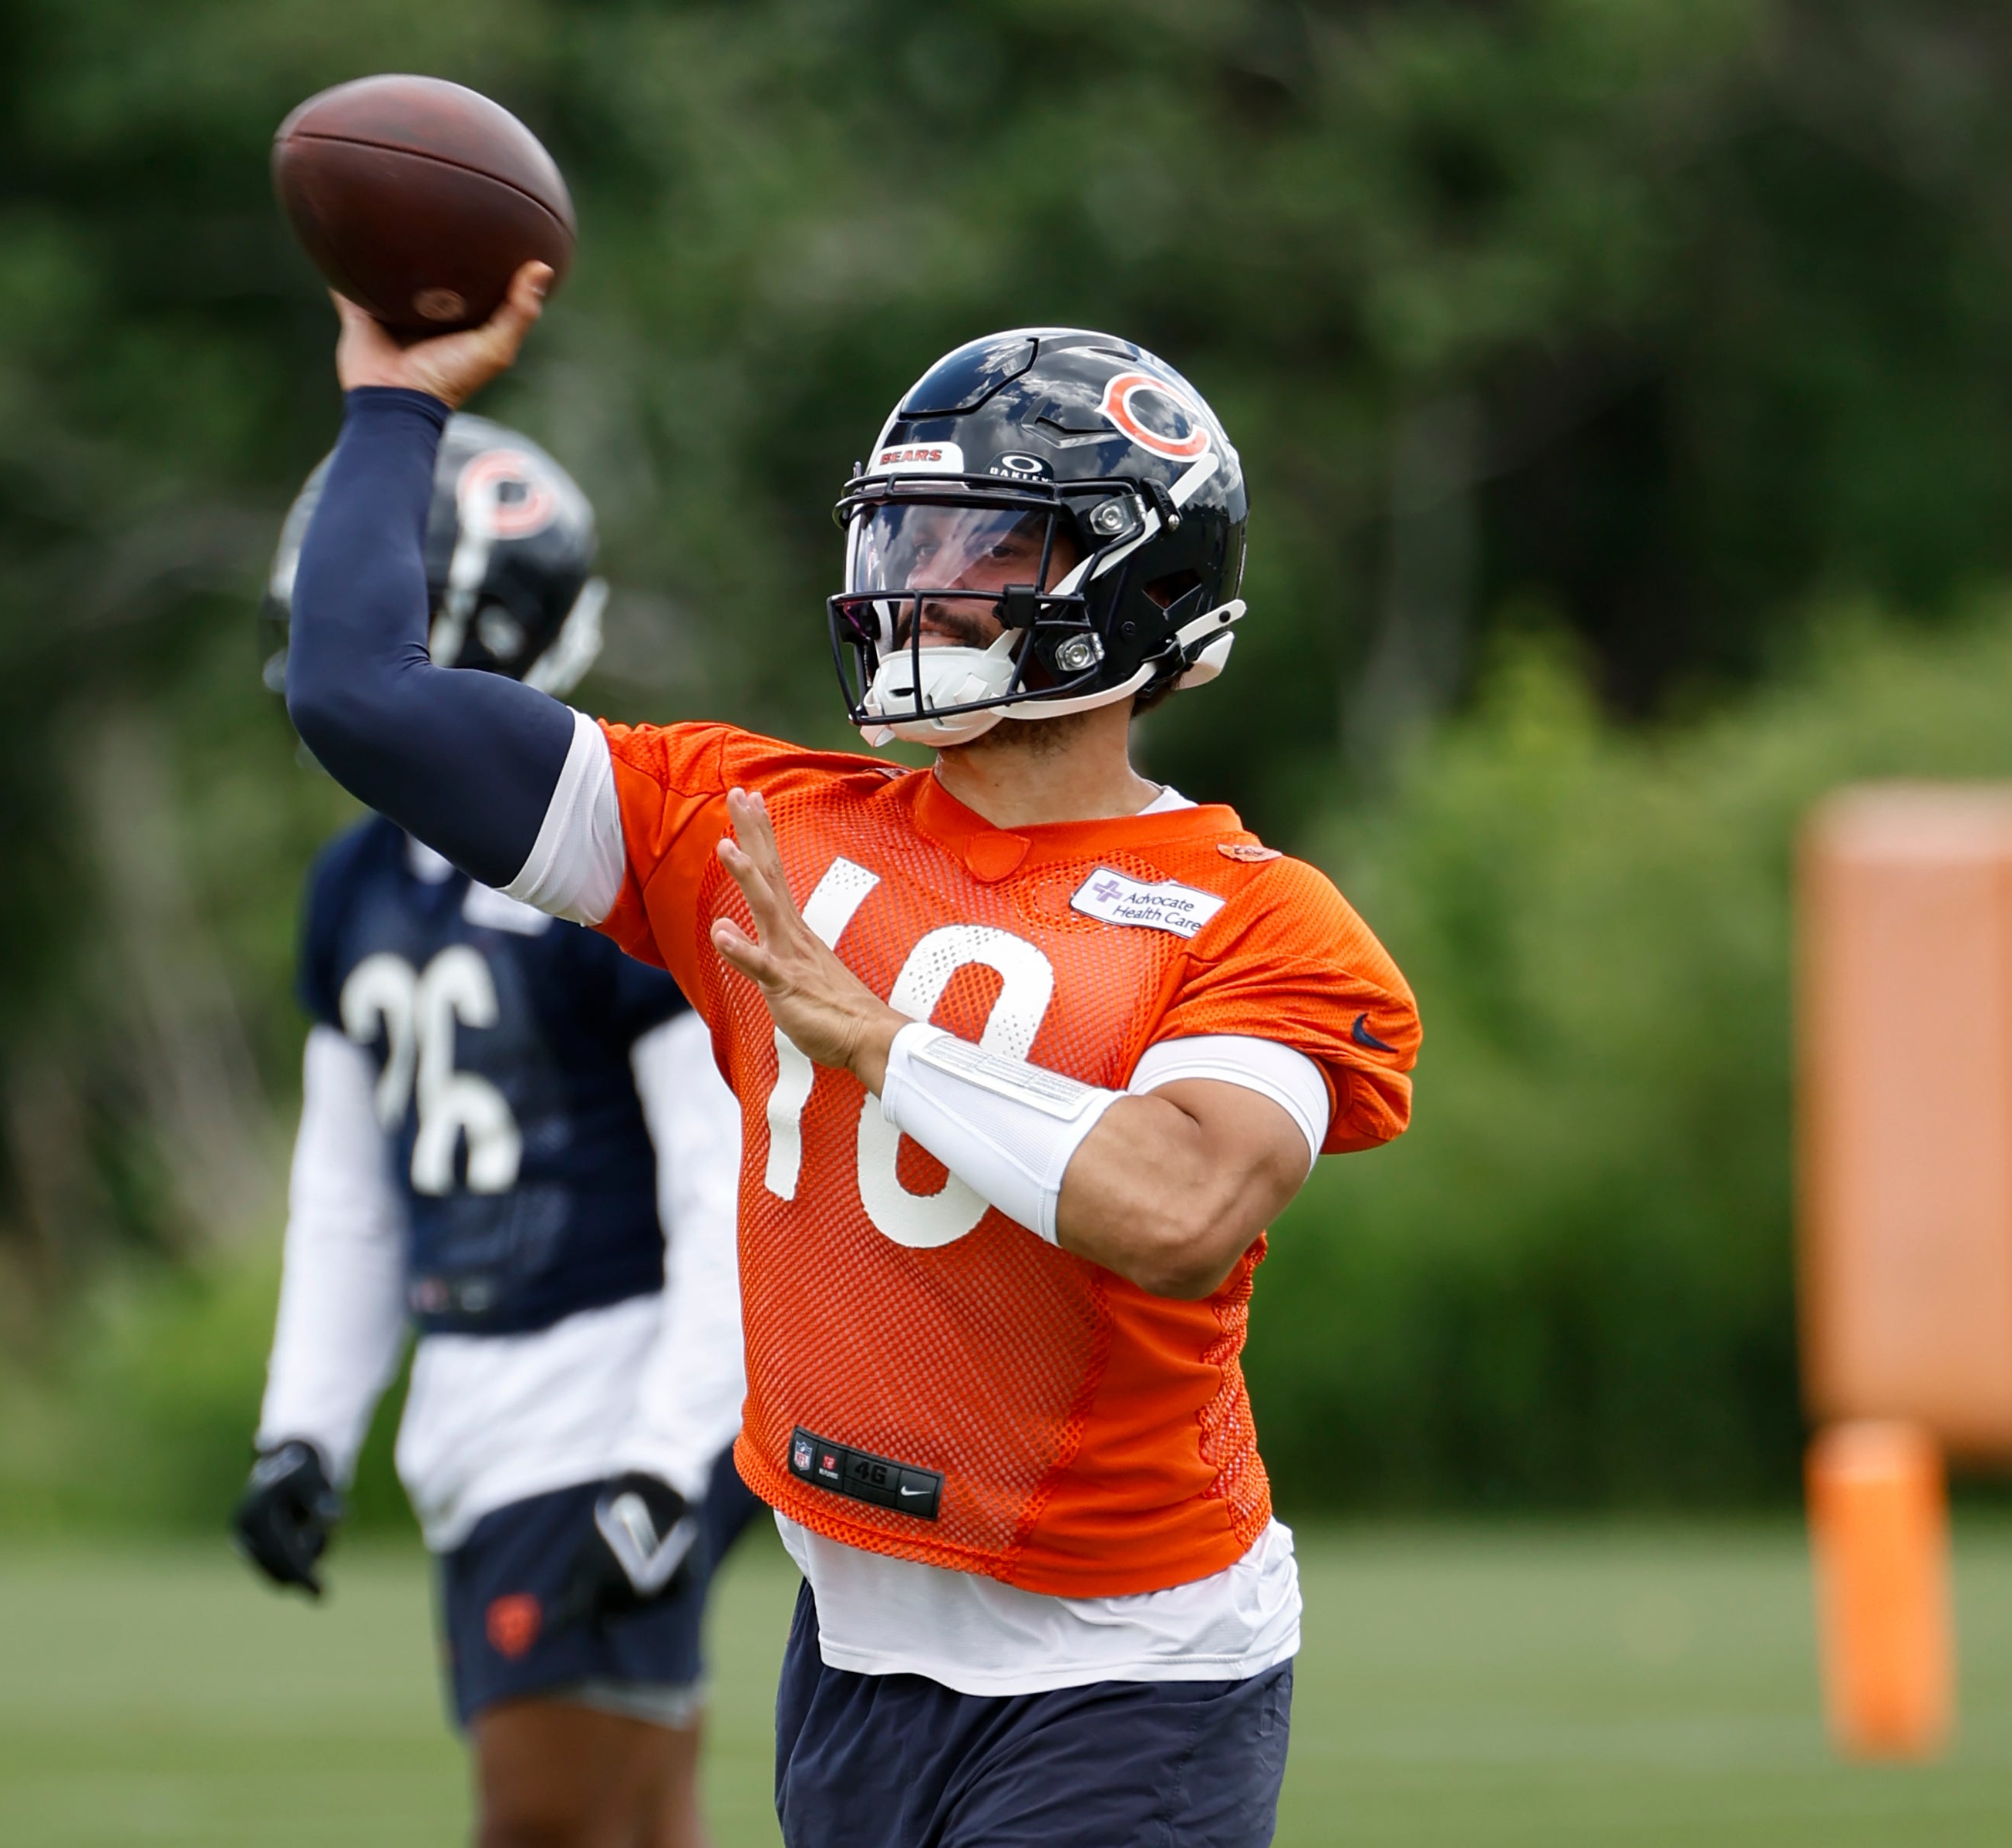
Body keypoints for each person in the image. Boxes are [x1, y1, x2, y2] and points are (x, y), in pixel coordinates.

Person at [281, 263, 1422, 1848]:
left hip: (1128, 1664)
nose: (919, 582)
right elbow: (360, 697)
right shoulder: (759, 827)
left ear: (1134, 583)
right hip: (854, 1660)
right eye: (907, 533)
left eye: (981, 544)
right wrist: (394, 399)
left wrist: (884, 1040)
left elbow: (1179, 1206)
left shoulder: (1259, 915)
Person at [235, 413, 760, 1848]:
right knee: (638, 1826)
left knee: (537, 1824)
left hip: (605, 1395)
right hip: (474, 1412)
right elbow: (348, 1187)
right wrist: (306, 1431)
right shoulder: (357, 886)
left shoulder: (606, 879)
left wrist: (670, 1455)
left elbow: (722, 1188)